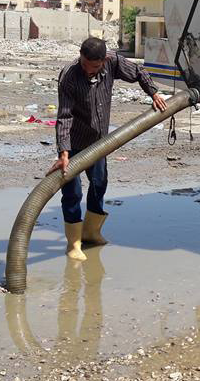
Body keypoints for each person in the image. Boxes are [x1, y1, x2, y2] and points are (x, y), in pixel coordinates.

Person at [47, 37, 167, 260]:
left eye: (92, 66)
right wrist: (63, 151)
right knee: (72, 192)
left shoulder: (113, 62)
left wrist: (154, 93)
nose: (87, 70)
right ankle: (74, 243)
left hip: (99, 142)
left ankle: (92, 232)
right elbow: (64, 115)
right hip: (73, 143)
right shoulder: (70, 75)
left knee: (99, 183)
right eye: (84, 64)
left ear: (102, 62)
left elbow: (139, 71)